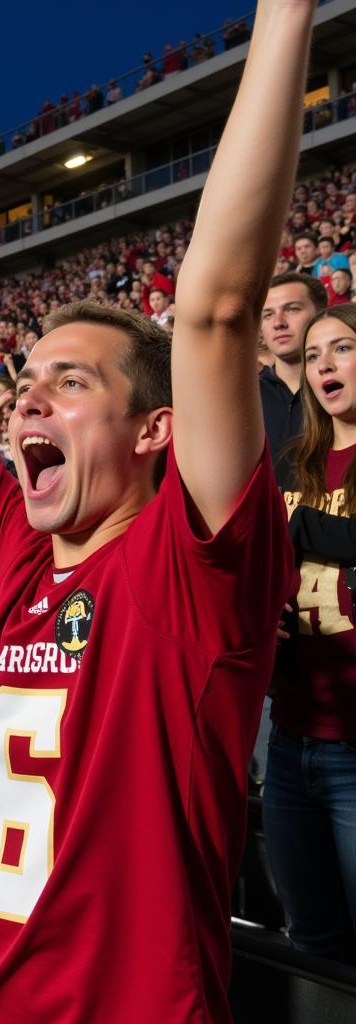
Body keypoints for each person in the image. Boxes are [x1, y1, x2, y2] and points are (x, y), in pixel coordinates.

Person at [0, 1, 309, 1018]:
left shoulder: (189, 569)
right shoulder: (14, 551)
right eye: (26, 378)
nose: (26, 397)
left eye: (68, 382)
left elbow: (214, 308)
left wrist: (284, 16)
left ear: (156, 429)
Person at [266, 302, 356, 963]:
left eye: (343, 348)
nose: (325, 362)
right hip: (293, 740)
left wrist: (292, 527)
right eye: (316, 352)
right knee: (312, 946)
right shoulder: (290, 463)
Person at [260, 272, 328, 483]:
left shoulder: (345, 390)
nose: (278, 323)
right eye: (268, 315)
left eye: (292, 309)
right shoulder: (245, 398)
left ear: (322, 314)